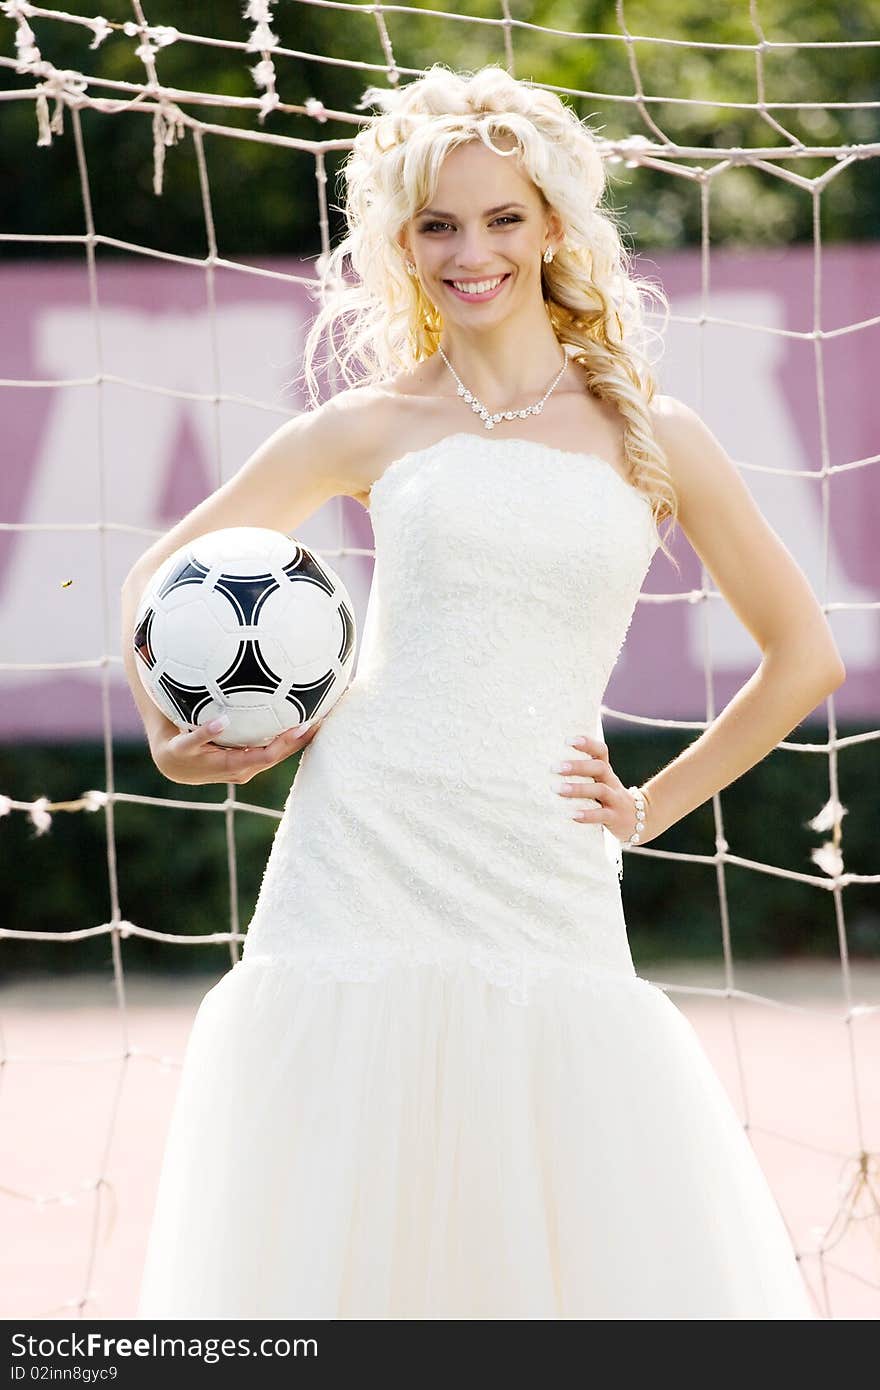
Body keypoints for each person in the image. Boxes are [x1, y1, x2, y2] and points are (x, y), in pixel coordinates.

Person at [124, 63, 843, 1319]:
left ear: (554, 228)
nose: (473, 251)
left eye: (503, 218)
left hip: (538, 854)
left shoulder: (650, 432)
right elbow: (154, 572)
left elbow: (804, 656)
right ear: (401, 245)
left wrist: (654, 803)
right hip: (362, 842)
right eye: (439, 225)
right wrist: (169, 735)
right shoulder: (369, 423)